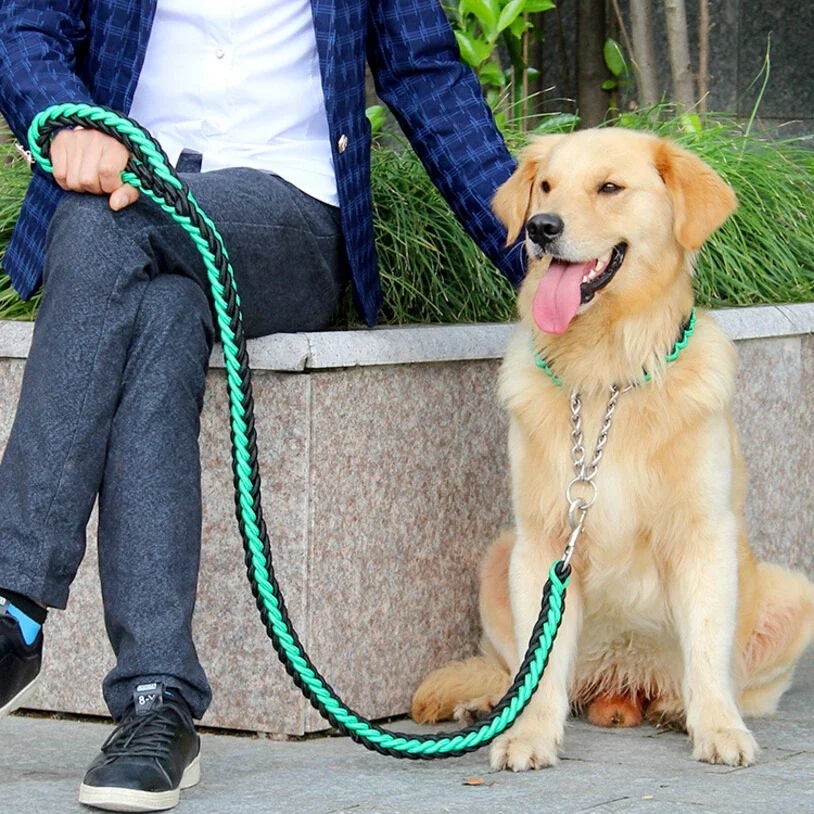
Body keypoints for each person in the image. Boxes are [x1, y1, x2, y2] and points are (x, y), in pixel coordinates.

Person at [0, 1, 524, 810]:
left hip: (287, 210)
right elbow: (26, 21)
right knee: (164, 311)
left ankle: (12, 605)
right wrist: (62, 120)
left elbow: (424, 70)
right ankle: (157, 704)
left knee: (111, 226)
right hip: (114, 182)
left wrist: (535, 250)